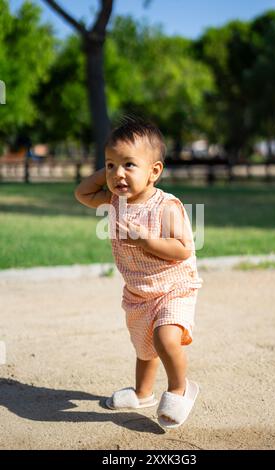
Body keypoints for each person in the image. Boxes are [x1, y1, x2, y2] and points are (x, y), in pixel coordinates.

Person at [74, 116, 203, 428]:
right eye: (110, 165)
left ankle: (180, 389)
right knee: (144, 346)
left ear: (154, 171)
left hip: (174, 287)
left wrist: (144, 240)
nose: (118, 173)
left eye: (129, 165)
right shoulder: (114, 198)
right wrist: (112, 172)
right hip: (139, 291)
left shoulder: (166, 206)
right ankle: (143, 392)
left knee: (164, 338)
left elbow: (183, 248)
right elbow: (82, 193)